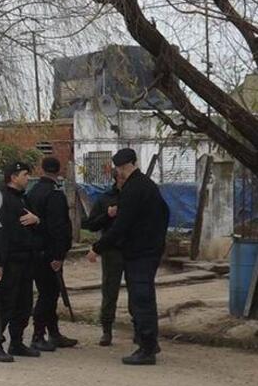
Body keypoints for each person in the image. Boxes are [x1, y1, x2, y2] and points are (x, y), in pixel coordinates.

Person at [88, 148, 169, 365]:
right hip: (148, 250)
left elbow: (121, 226)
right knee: (142, 297)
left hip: (140, 252)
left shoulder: (134, 189)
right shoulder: (147, 186)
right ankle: (149, 341)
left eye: (121, 169)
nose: (119, 173)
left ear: (128, 166)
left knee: (141, 298)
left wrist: (97, 247)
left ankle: (147, 349)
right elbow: (164, 214)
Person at [0, 161, 43, 362]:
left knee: (24, 303)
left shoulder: (23, 199)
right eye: (25, 175)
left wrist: (37, 220)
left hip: (26, 259)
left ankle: (17, 341)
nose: (28, 178)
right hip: (9, 261)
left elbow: (35, 224)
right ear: (14, 177)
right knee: (4, 302)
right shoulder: (0, 199)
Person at [28, 156, 77, 352]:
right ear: (59, 171)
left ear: (42, 169)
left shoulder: (33, 192)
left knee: (48, 293)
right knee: (48, 295)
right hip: (49, 253)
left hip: (36, 250)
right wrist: (58, 256)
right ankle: (38, 335)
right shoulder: (55, 194)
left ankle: (54, 333)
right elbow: (59, 228)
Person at [83, 170, 126, 346]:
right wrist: (107, 216)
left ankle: (141, 329)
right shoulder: (105, 198)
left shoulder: (137, 195)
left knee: (139, 290)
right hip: (112, 250)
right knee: (110, 290)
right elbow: (91, 225)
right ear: (116, 179)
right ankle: (107, 329)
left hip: (134, 250)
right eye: (122, 177)